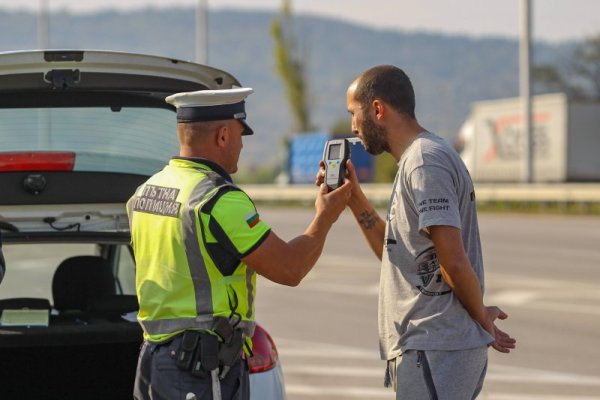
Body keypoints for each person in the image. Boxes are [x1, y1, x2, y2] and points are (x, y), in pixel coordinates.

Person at [127, 87, 351, 400]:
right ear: (222, 136)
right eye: (240, 135)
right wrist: (324, 217)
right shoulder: (217, 199)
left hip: (155, 358)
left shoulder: (146, 192)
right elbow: (290, 268)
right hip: (199, 369)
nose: (242, 145)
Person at [319, 65, 516, 399]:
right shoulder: (417, 161)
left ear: (378, 110)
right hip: (427, 350)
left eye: (354, 114)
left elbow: (452, 261)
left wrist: (480, 315)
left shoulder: (425, 163)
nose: (353, 126)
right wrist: (354, 199)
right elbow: (397, 255)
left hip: (436, 347)